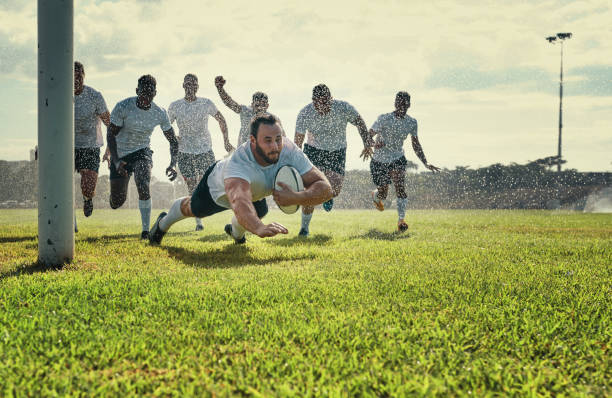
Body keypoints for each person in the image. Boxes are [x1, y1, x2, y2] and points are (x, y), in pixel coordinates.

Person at [148, 113, 333, 245]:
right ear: (253, 141)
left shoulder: (290, 150)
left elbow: (326, 189)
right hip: (217, 187)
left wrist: (297, 198)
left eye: (278, 138)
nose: (275, 146)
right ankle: (162, 224)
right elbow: (239, 202)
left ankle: (236, 235)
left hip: (253, 194)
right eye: (267, 140)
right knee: (194, 209)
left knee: (257, 212)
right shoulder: (239, 163)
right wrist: (259, 228)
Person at [294, 84, 373, 236]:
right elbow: (297, 142)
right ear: (313, 101)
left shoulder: (343, 107)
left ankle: (327, 196)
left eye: (326, 102)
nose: (323, 106)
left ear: (331, 99)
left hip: (337, 151)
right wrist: (294, 163)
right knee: (310, 190)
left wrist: (367, 142)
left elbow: (360, 122)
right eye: (319, 103)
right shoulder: (305, 113)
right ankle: (304, 229)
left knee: (334, 190)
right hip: (313, 150)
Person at [106, 74, 179, 239]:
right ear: (137, 91)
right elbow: (111, 135)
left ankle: (145, 231)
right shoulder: (124, 106)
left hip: (142, 152)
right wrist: (116, 161)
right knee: (118, 202)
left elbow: (173, 141)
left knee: (143, 181)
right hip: (121, 154)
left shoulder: (159, 113)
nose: (146, 97)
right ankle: (113, 199)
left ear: (155, 93)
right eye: (143, 93)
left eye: (150, 93)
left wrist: (173, 164)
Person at [168, 73, 234, 231]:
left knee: (210, 182)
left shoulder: (206, 103)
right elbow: (166, 126)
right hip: (184, 151)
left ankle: (232, 210)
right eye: (188, 84)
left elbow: (221, 119)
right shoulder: (175, 106)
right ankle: (199, 222)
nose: (191, 86)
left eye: (194, 84)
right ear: (183, 85)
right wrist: (173, 137)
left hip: (205, 150)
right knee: (191, 186)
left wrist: (225, 141)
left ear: (198, 86)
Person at [369, 91, 440, 232]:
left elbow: (415, 144)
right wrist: (372, 144)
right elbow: (369, 134)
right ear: (395, 103)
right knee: (384, 193)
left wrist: (425, 162)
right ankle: (376, 195)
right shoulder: (384, 118)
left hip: (397, 158)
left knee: (400, 187)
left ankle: (401, 220)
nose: (400, 105)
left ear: (409, 105)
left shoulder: (411, 122)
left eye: (403, 103)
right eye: (398, 102)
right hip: (379, 160)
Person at [73, 61, 111, 218]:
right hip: (67, 146)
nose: (76, 80)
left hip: (90, 146)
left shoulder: (95, 96)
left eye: (79, 76)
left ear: (83, 76)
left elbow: (110, 124)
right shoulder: (60, 95)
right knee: (60, 183)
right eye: (72, 76)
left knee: (88, 186)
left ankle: (87, 199)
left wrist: (109, 149)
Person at [214, 75, 274, 146]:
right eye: (257, 105)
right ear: (252, 105)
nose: (260, 108)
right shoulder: (246, 112)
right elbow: (229, 103)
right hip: (243, 153)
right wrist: (220, 89)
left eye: (263, 105)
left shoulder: (272, 119)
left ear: (267, 106)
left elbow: (282, 138)